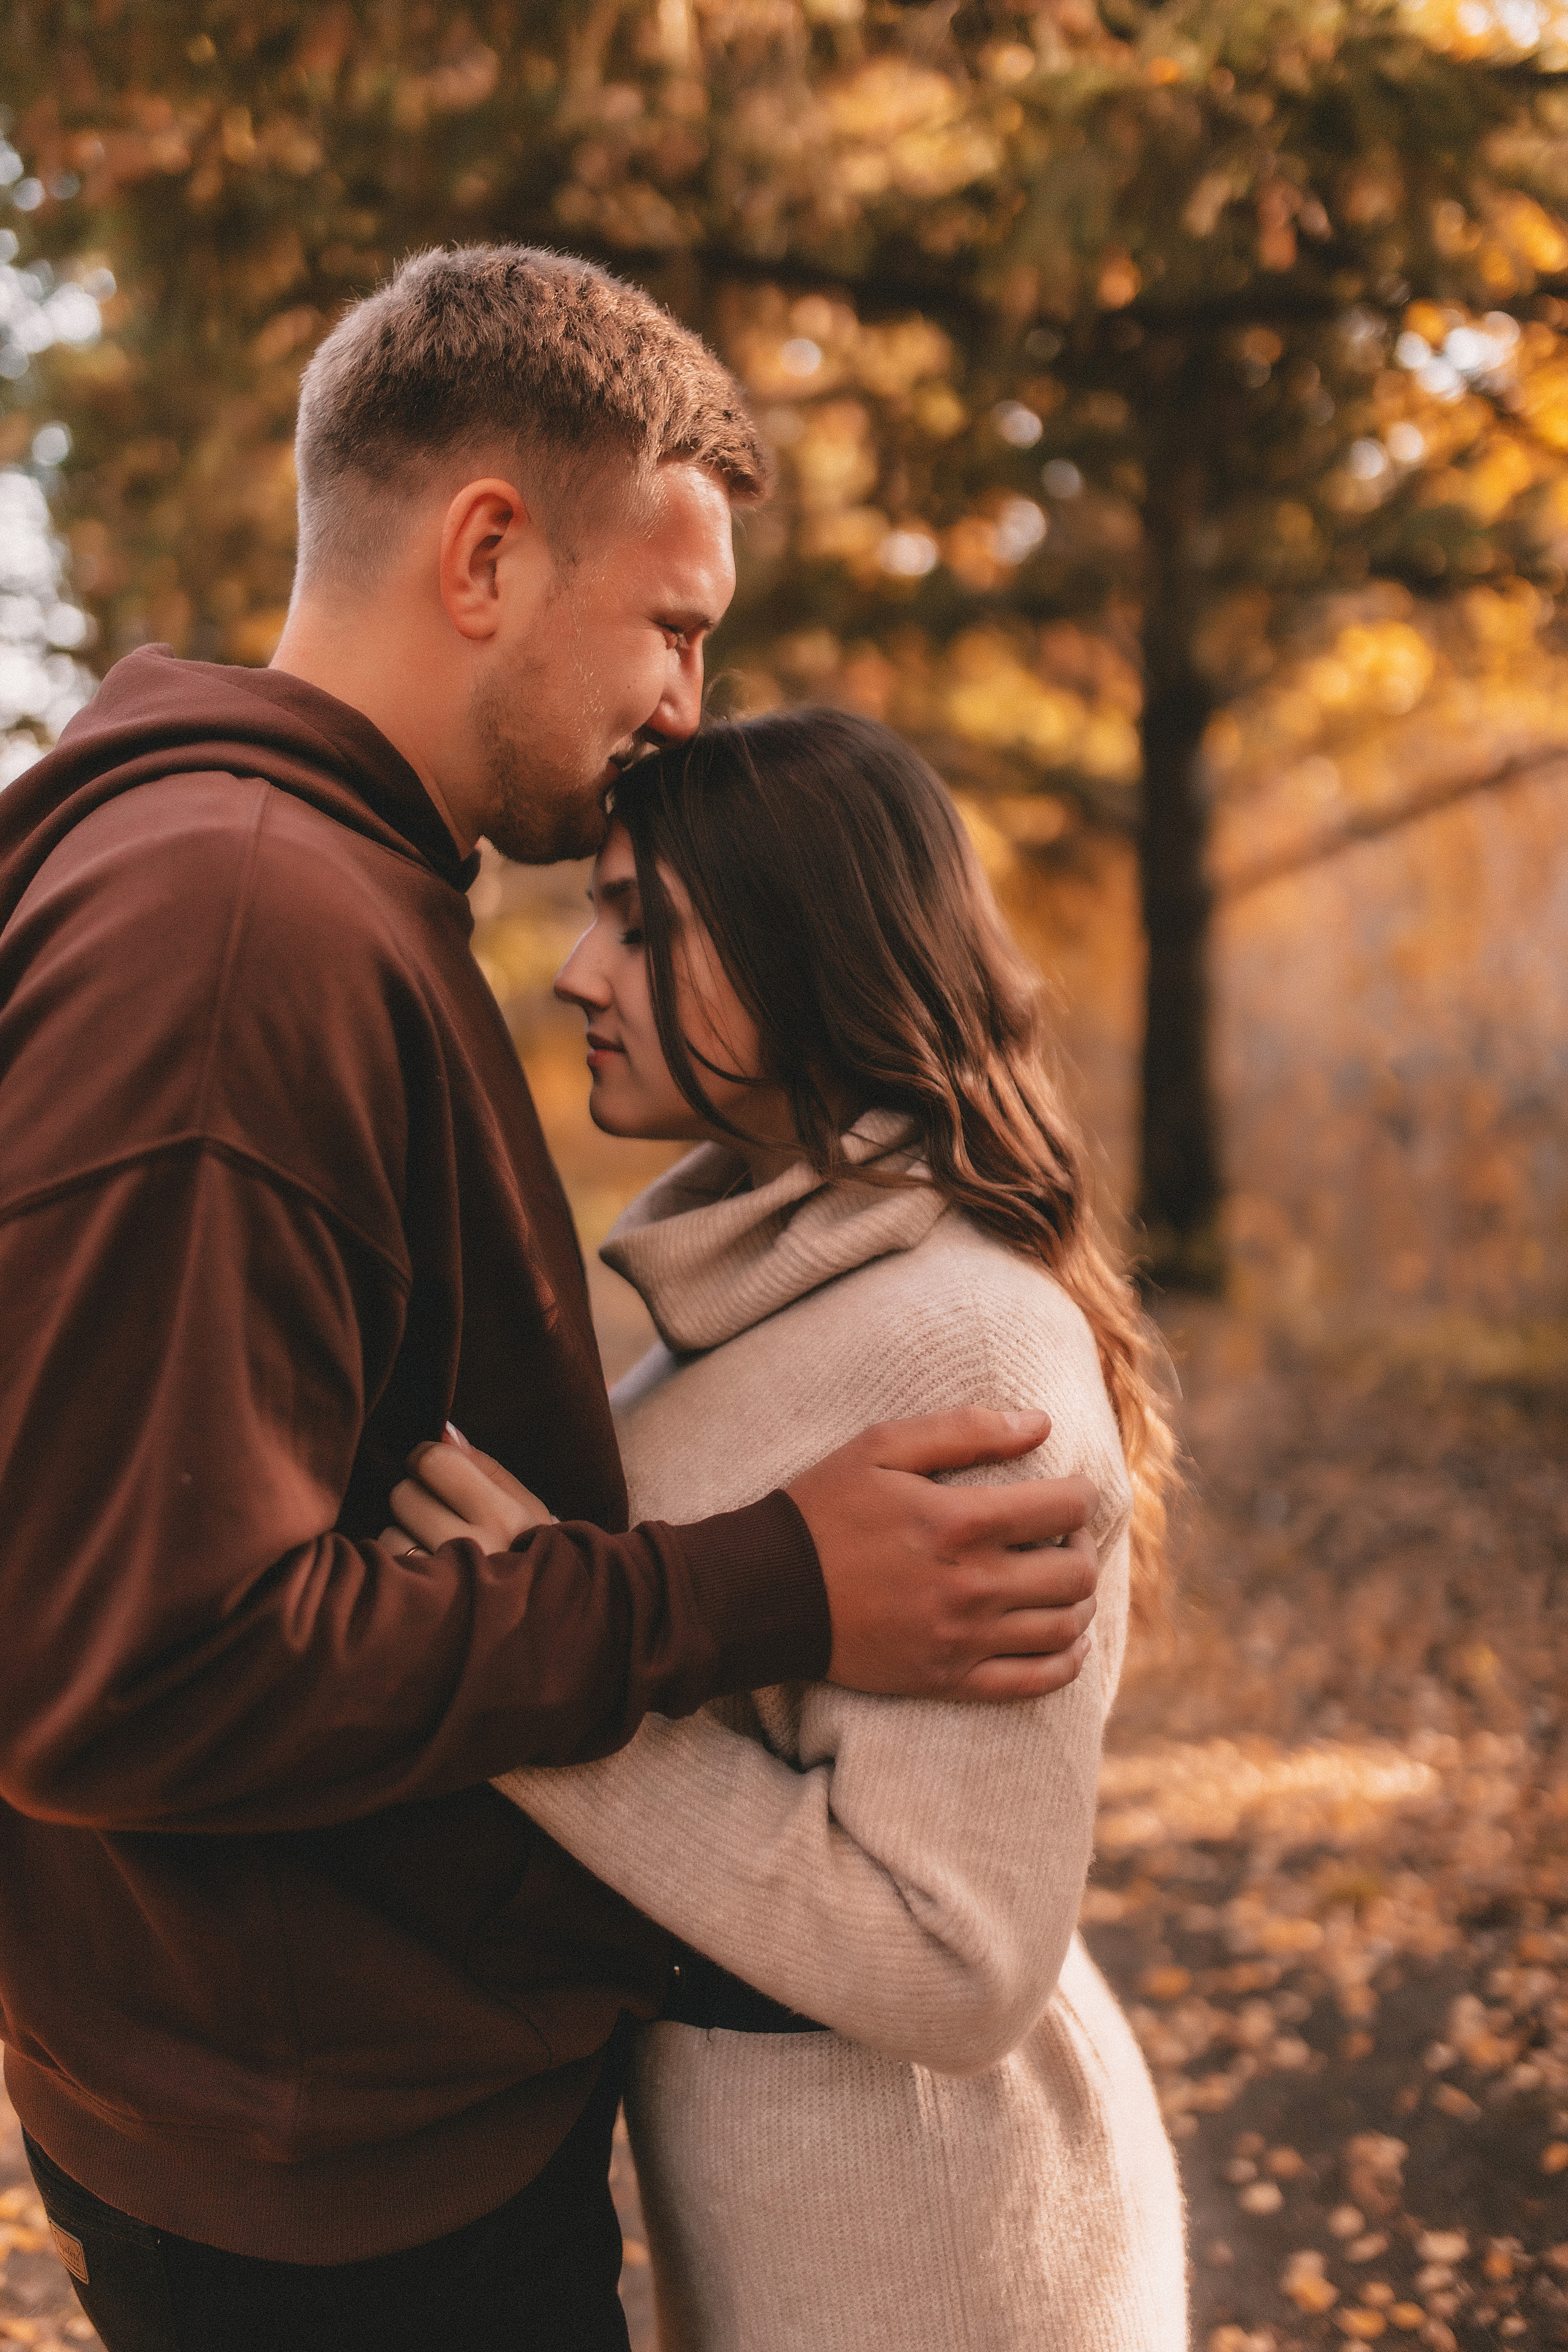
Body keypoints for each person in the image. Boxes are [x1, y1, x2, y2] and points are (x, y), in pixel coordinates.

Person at [0, 247, 1104, 2352]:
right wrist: (759, 1586)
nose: (686, 704)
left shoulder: (271, 881)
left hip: (298, 2089)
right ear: (488, 551)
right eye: (676, 626)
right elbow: (131, 1672)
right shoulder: (246, 932)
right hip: (330, 2194)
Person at [390, 709, 1188, 2350]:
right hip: (797, 2218)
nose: (580, 971)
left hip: (941, 2252)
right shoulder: (761, 1292)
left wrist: (524, 1679)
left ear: (806, 949)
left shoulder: (964, 1345)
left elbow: (959, 1964)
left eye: (645, 923)